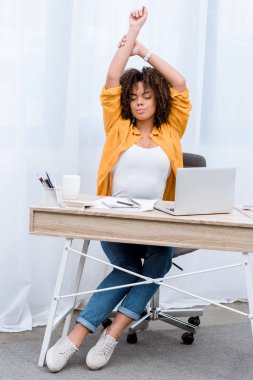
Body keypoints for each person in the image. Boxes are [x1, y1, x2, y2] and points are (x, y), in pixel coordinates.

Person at [46, 6, 191, 373]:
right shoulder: (118, 127)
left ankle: (110, 334)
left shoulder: (171, 130)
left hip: (160, 220)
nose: (139, 101)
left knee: (153, 266)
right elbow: (112, 77)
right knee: (130, 269)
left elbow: (180, 83)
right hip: (115, 215)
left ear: (157, 99)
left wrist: (144, 50)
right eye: (134, 97)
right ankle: (78, 337)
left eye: (146, 96)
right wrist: (131, 33)